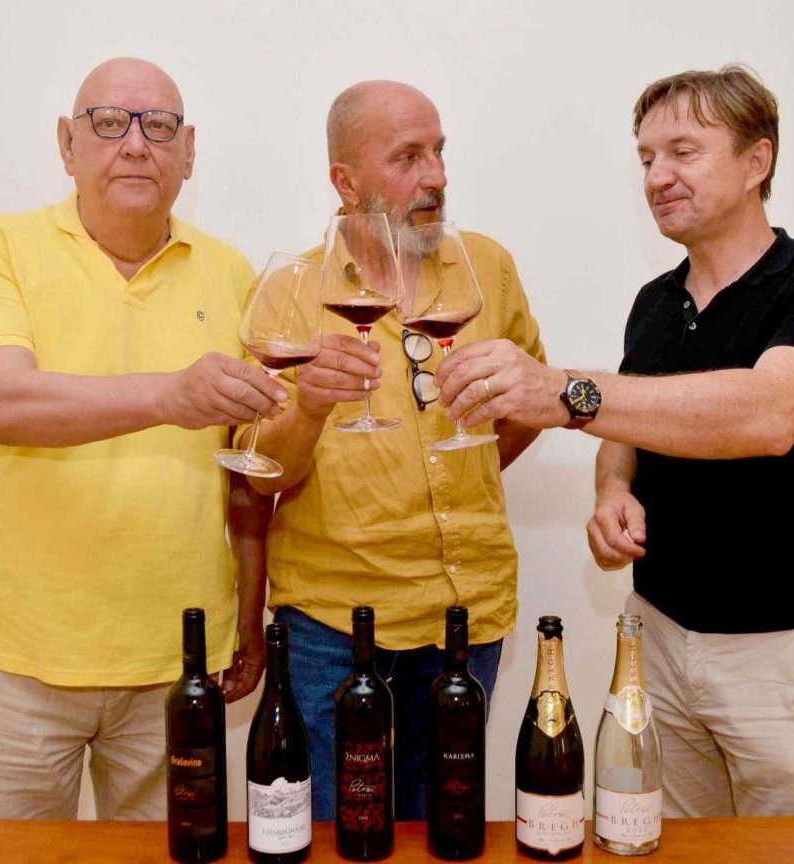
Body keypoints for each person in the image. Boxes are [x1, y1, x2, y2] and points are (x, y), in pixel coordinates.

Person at [436, 65, 794, 817]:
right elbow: (630, 426)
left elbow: (769, 414)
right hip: (662, 641)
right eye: (646, 158)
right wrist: (613, 488)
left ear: (757, 160)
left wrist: (565, 392)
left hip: (790, 656)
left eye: (683, 151)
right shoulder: (656, 301)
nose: (657, 176)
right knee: (660, 843)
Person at [0, 57, 285, 820]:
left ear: (189, 152)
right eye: (109, 122)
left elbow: (248, 475)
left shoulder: (231, 274)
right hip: (12, 659)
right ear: (67, 143)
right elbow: (4, 402)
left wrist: (250, 617)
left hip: (181, 659)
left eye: (159, 126)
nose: (135, 144)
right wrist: (171, 394)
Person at [242, 80, 547, 820]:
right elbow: (261, 474)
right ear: (346, 183)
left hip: (467, 617)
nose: (436, 175)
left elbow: (533, 398)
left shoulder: (485, 266)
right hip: (333, 629)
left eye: (439, 152)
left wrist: (461, 460)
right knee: (336, 830)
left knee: (442, 828)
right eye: (408, 157)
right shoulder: (291, 292)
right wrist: (310, 407)